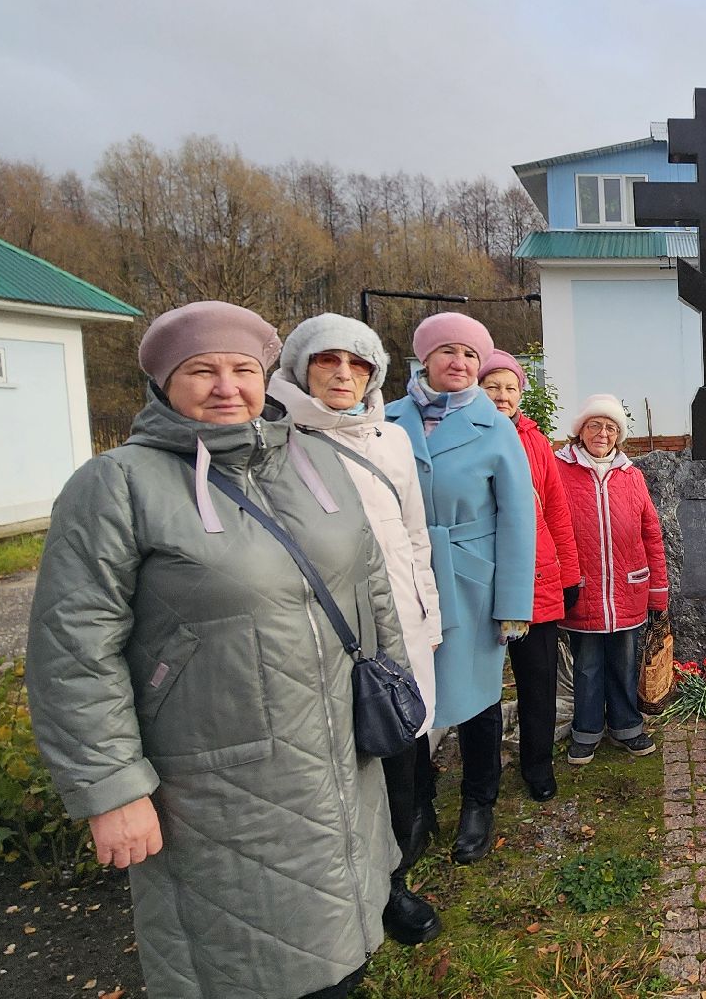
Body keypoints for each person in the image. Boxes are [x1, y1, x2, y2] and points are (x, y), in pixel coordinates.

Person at [27, 301, 403, 999]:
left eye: (241, 369)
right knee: (244, 966)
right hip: (216, 783)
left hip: (337, 757)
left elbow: (368, 579)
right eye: (201, 370)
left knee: (342, 944)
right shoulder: (118, 485)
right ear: (165, 382)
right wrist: (112, 789)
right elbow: (72, 650)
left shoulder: (313, 458)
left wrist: (394, 684)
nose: (226, 386)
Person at [266, 312, 445, 946]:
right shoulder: (276, 438)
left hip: (402, 610)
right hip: (334, 623)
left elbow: (413, 532)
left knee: (400, 735)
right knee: (346, 754)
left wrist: (429, 616)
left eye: (358, 365)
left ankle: (395, 872)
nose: (344, 375)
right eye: (328, 362)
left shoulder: (390, 437)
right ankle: (360, 883)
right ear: (299, 368)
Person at [385, 313, 536, 866]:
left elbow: (519, 518)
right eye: (448, 351)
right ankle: (417, 805)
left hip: (471, 578)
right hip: (403, 581)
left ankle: (479, 801)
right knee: (408, 697)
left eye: (471, 355)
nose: (460, 363)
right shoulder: (387, 419)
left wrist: (513, 604)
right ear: (423, 357)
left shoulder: (494, 425)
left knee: (478, 699)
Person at [480, 349, 583, 802]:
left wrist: (570, 574)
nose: (502, 395)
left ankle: (536, 764)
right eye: (492, 386)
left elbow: (557, 510)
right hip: (478, 579)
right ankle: (480, 781)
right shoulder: (458, 435)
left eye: (510, 387)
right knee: (480, 685)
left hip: (533, 580)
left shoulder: (535, 442)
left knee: (536, 680)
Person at [555, 394, 669, 764]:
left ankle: (626, 727)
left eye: (610, 427)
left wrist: (658, 590)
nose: (602, 433)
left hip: (627, 588)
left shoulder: (631, 475)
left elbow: (650, 532)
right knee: (587, 665)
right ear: (580, 431)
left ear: (618, 434)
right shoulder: (559, 471)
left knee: (623, 661)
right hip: (583, 589)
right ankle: (586, 731)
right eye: (594, 425)